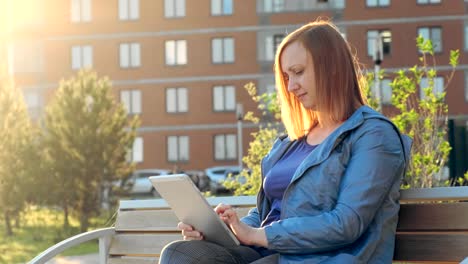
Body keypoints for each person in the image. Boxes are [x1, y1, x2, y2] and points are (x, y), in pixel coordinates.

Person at [159, 19, 412, 264]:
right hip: (269, 254)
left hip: (324, 258)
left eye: (298, 72)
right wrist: (228, 229)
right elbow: (266, 213)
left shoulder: (374, 135)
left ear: (332, 67)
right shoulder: (290, 143)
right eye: (286, 77)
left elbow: (347, 222)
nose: (291, 86)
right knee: (181, 254)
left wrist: (259, 235)